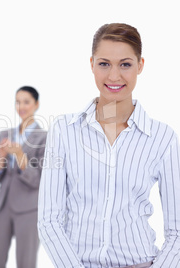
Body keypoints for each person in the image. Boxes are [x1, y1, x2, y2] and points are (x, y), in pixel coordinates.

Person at [38, 23, 180, 268]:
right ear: (92, 64)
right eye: (104, 64)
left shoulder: (162, 137)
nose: (114, 76)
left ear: (140, 65)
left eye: (125, 64)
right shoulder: (64, 130)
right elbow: (48, 220)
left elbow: (177, 231)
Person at [0, 86, 47, 268]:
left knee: (25, 262)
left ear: (36, 104)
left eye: (26, 102)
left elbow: (39, 179)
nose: (21, 106)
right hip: (3, 204)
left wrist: (21, 156)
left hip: (29, 207)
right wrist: (1, 157)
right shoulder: (5, 135)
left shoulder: (44, 137)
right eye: (18, 102)